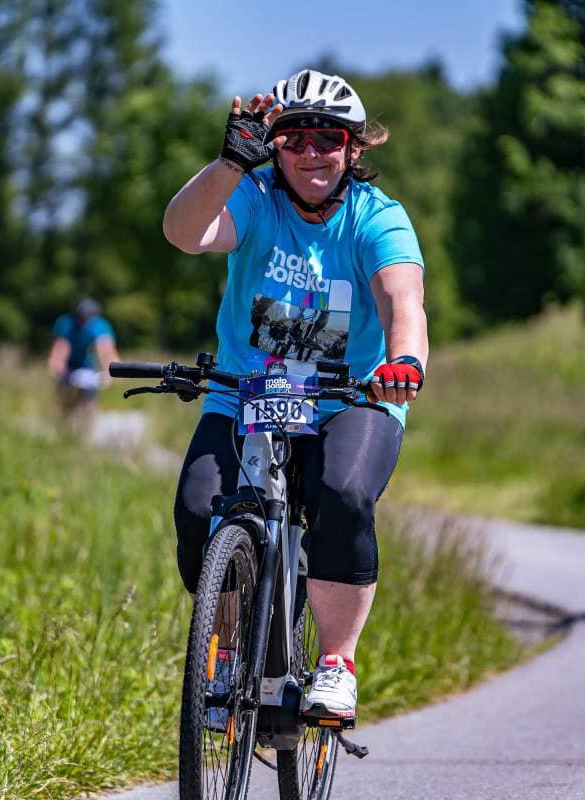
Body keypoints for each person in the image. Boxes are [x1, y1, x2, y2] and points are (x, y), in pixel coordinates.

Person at [163, 68, 428, 722]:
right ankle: (228, 656)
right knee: (199, 510)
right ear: (274, 146)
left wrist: (404, 361)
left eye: (329, 139)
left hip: (351, 395)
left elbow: (402, 300)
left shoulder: (377, 218)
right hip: (246, 393)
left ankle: (336, 662)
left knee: (342, 494)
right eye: (295, 137)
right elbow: (184, 233)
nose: (312, 152)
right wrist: (230, 163)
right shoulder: (255, 197)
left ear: (354, 148)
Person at [47, 297, 119, 430]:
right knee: (66, 400)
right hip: (69, 367)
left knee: (88, 402)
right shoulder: (66, 323)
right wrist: (57, 367)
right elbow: (60, 349)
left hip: (87, 367)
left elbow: (106, 350)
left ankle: (86, 429)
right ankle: (65, 429)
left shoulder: (99, 325)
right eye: (80, 318)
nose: (83, 322)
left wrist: (110, 372)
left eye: (86, 319)